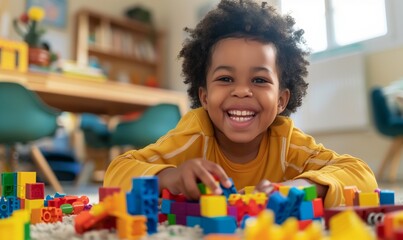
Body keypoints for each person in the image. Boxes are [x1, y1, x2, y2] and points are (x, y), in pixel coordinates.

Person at [104, 0, 377, 208]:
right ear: (204, 97)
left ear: (282, 100)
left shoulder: (288, 143)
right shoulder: (193, 135)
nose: (242, 91)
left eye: (259, 80)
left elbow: (361, 174)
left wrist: (304, 186)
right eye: (225, 78)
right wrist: (170, 177)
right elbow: (117, 172)